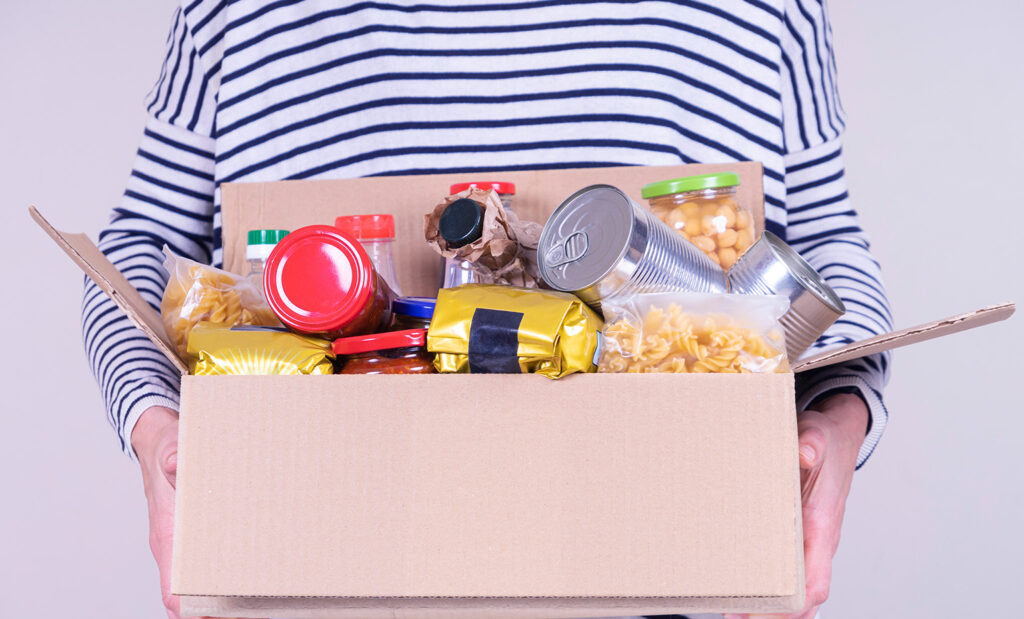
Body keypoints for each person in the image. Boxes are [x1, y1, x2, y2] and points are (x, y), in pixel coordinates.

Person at [83, 2, 891, 618]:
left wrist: (843, 408)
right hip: (317, 565)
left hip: (665, 562)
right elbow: (142, 240)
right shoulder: (238, 15)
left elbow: (824, 242)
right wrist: (152, 422)